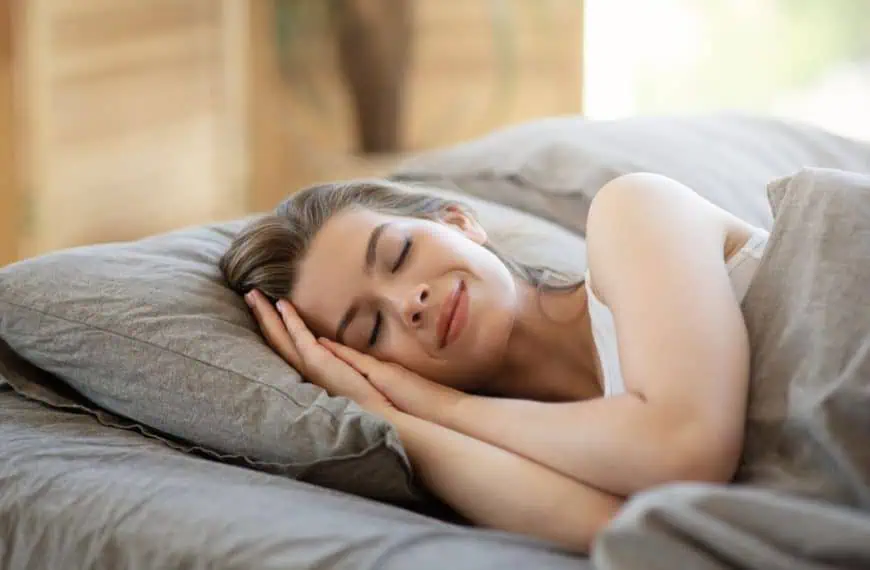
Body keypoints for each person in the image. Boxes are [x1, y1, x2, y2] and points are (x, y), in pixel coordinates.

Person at [219, 172, 769, 554]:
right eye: (370, 329)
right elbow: (637, 535)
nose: (408, 303)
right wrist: (390, 418)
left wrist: (437, 404)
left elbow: (684, 445)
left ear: (459, 222)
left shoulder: (632, 210)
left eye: (400, 256)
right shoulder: (527, 450)